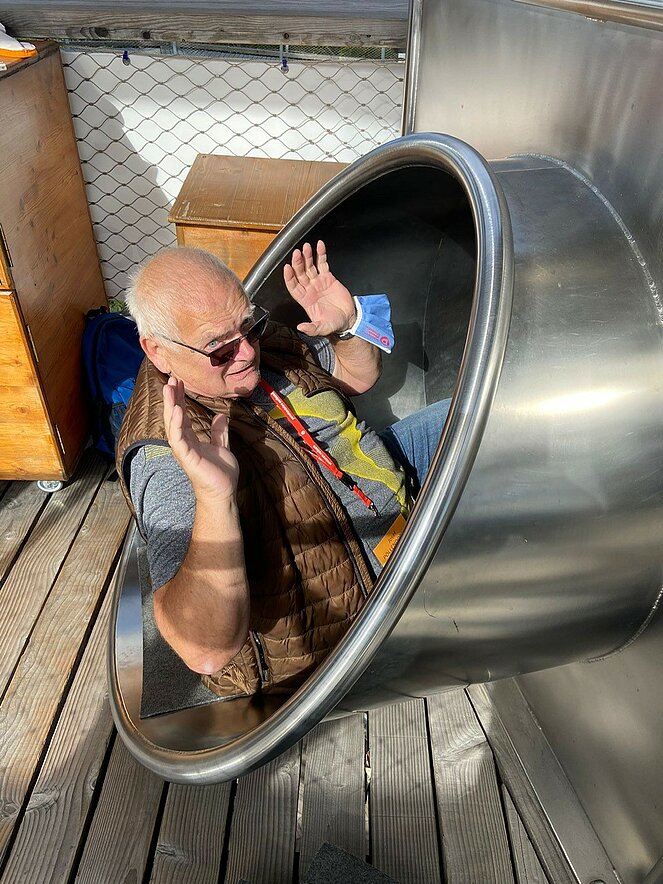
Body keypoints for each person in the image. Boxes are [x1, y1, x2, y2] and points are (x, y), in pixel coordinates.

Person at [116, 242, 450, 699]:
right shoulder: (168, 453)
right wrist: (215, 496)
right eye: (218, 348)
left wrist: (347, 327)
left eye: (248, 326)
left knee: (481, 412)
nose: (246, 353)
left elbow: (358, 377)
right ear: (157, 351)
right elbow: (205, 652)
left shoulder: (264, 343)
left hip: (387, 486)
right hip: (350, 598)